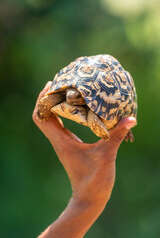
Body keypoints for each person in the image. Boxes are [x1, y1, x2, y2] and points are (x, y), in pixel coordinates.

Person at [32, 81, 137, 238]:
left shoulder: (90, 108)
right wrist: (88, 203)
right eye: (69, 95)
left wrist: (86, 203)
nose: (72, 98)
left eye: (76, 96)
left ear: (83, 97)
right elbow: (51, 100)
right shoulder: (66, 96)